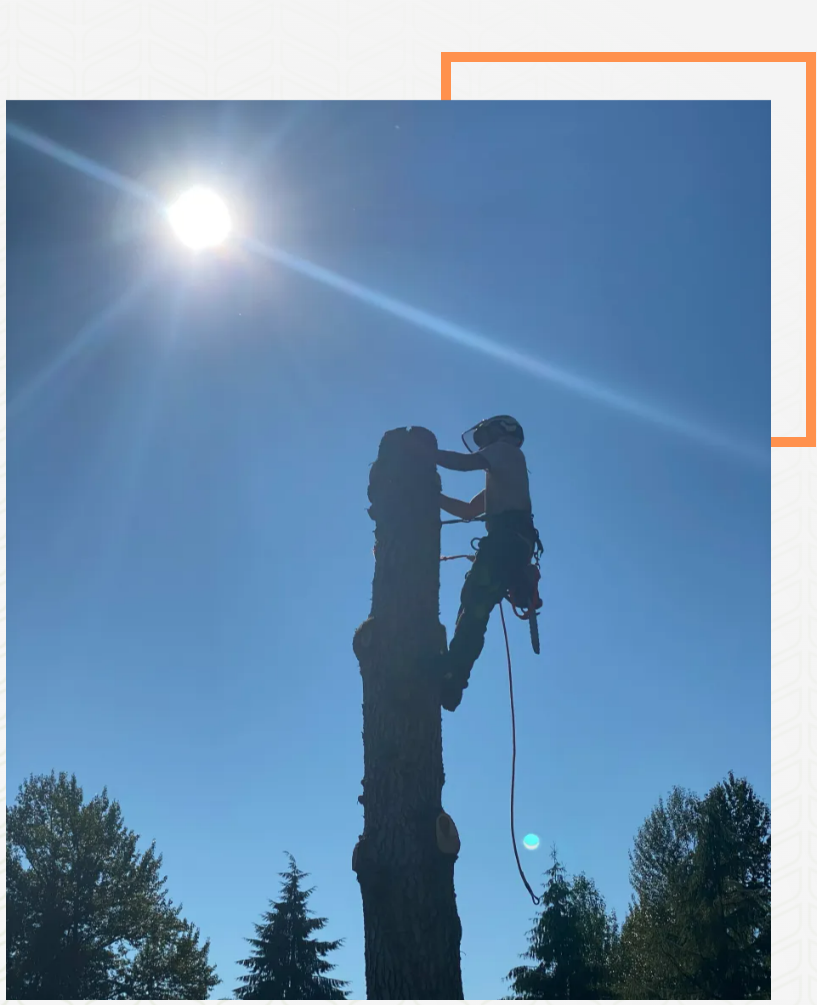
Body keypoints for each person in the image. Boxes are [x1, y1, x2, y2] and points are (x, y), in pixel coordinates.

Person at [434, 415, 541, 711]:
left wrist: (424, 455)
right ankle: (454, 674)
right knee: (474, 605)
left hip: (506, 541)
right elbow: (469, 511)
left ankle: (452, 675)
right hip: (514, 544)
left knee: (474, 601)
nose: (483, 445)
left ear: (501, 433)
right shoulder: (506, 471)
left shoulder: (505, 451)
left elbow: (464, 463)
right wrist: (434, 496)